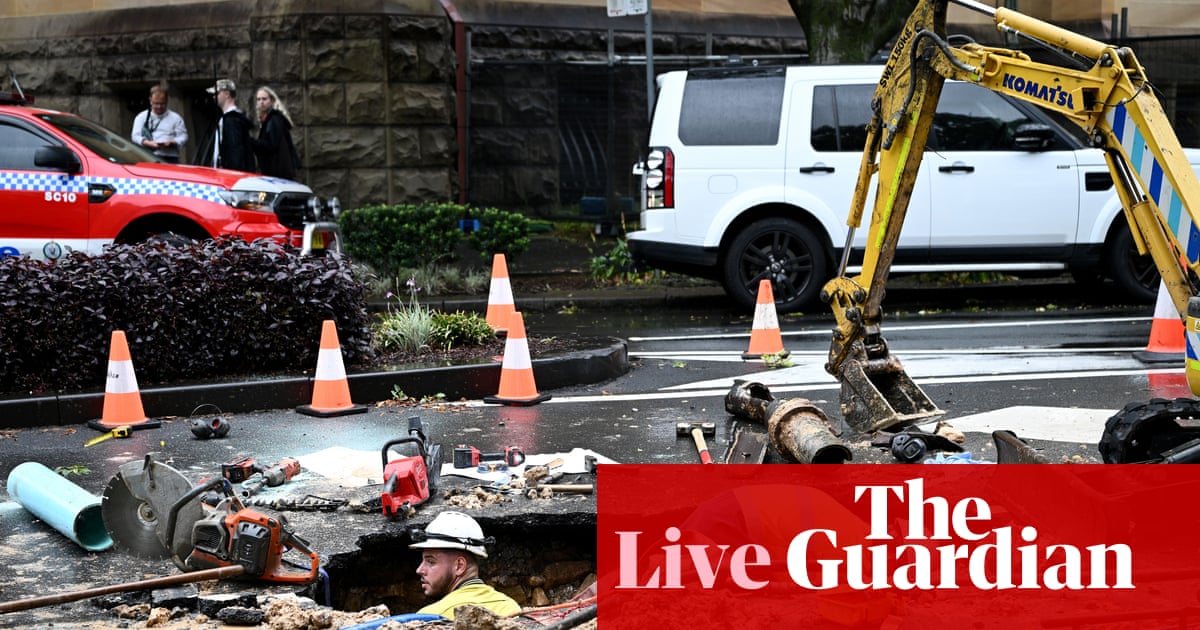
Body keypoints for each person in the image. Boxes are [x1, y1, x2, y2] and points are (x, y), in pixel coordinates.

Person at [409, 511, 521, 620]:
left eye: (431, 562)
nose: (419, 570)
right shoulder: (510, 607)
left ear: (459, 566)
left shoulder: (430, 618)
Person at [251, 86, 301, 180]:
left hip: (278, 173)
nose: (261, 102)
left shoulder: (274, 120)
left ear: (272, 100)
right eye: (258, 99)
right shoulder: (270, 119)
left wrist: (252, 142)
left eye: (264, 99)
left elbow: (271, 145)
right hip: (278, 172)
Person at [206, 79, 256, 172]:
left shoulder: (231, 120)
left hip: (231, 174)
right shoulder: (230, 118)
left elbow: (234, 151)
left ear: (227, 94)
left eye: (217, 93)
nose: (214, 97)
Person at [131, 85, 188, 163]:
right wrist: (147, 143)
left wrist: (172, 143)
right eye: (156, 104)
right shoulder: (141, 117)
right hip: (147, 155)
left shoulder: (175, 118)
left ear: (167, 101)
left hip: (170, 157)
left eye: (162, 104)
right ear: (150, 100)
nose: (159, 107)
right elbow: (135, 136)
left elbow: (183, 137)